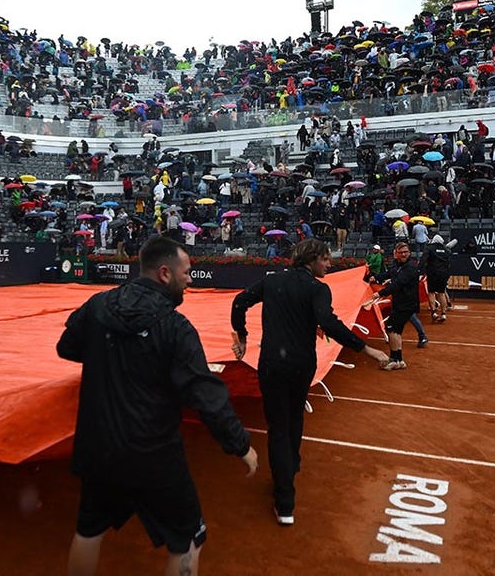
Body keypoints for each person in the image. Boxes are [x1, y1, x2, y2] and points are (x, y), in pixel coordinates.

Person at [58, 236, 258, 576]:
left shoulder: (98, 306)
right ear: (165, 273)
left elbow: (68, 347)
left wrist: (109, 354)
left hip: (100, 447)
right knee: (188, 540)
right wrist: (241, 445)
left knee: (89, 530)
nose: (190, 279)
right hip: (154, 455)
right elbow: (205, 394)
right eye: (186, 272)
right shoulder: (175, 327)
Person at [230, 239, 389, 526]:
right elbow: (327, 322)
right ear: (312, 259)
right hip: (301, 365)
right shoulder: (318, 288)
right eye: (326, 259)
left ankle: (285, 493)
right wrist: (365, 348)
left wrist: (240, 336)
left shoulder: (273, 281)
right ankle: (288, 479)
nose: (329, 264)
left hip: (272, 364)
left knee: (278, 427)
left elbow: (239, 301)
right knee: (292, 421)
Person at [366, 241, 423, 370]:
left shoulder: (410, 268)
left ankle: (395, 359)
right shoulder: (398, 265)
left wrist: (380, 293)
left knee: (391, 329)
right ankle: (398, 360)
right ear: (396, 253)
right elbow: (389, 274)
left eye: (405, 252)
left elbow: (397, 283)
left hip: (406, 304)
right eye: (400, 252)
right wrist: (375, 277)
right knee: (395, 330)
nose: (403, 254)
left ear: (409, 253)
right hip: (400, 303)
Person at [423, 234, 451, 322]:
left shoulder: (429, 248)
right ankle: (443, 314)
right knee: (441, 293)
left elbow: (424, 259)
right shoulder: (446, 250)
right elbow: (448, 263)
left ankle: (434, 312)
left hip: (432, 272)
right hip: (444, 273)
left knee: (431, 293)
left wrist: (419, 270)